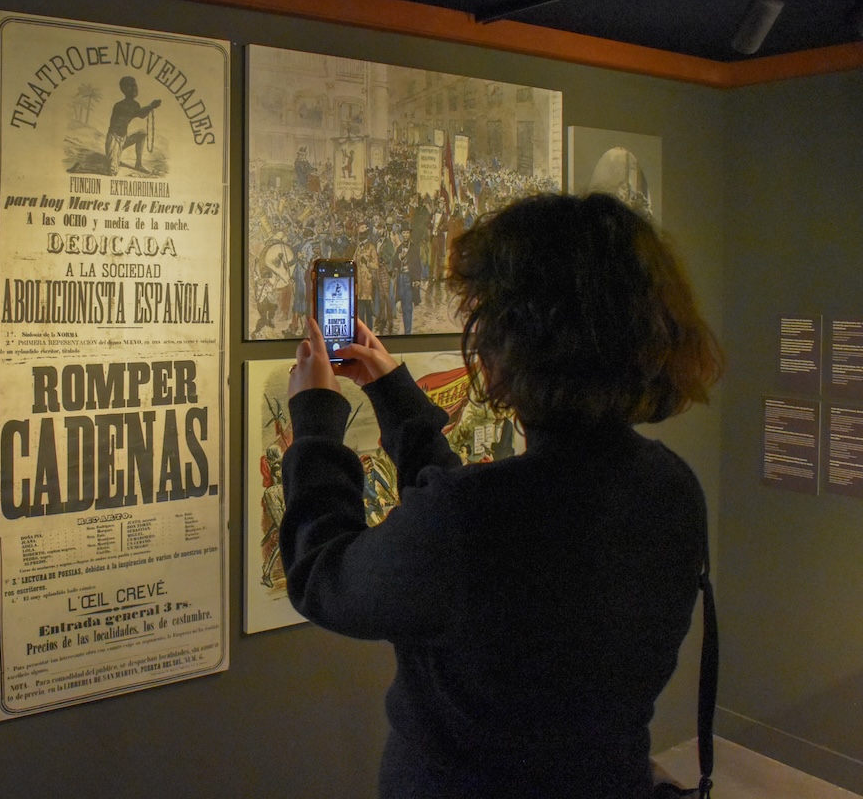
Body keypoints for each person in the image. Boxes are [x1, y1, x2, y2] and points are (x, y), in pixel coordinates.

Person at [281, 192, 723, 799]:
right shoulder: (671, 487)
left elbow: (325, 578)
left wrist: (314, 425)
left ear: (515, 341)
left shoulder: (475, 521)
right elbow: (485, 527)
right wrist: (396, 398)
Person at [105, 76, 160, 176]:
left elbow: (141, 114)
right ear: (124, 89)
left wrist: (150, 107)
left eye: (135, 86)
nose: (135, 88)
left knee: (142, 133)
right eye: (131, 86)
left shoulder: (135, 104)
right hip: (114, 140)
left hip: (123, 139)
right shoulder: (119, 105)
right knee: (113, 172)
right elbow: (137, 113)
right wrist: (150, 106)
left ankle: (138, 164)